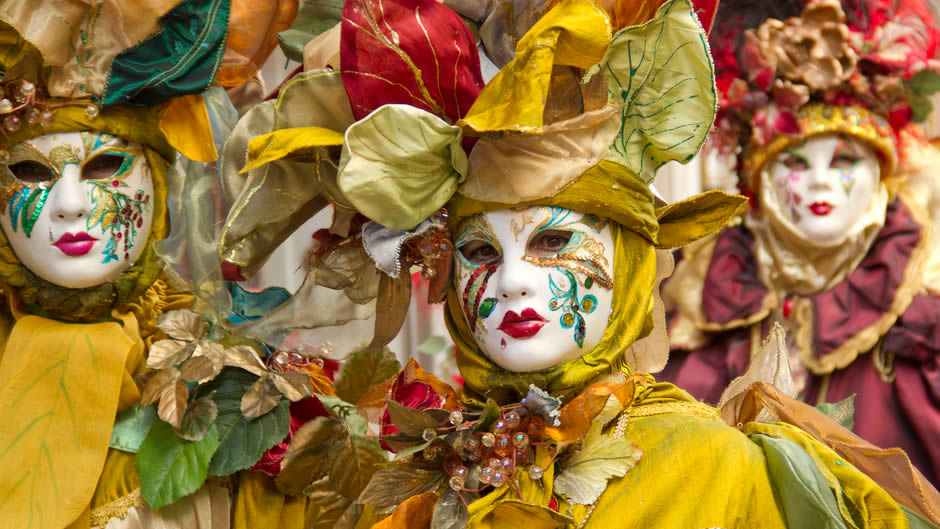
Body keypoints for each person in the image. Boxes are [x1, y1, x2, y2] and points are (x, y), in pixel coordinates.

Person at [227, 0, 940, 527]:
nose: (511, 280)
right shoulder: (426, 472)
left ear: (631, 252)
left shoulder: (709, 463)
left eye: (553, 241)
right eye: (479, 250)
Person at [0, 2, 335, 527]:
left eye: (104, 166)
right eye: (30, 172)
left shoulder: (242, 396)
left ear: (158, 187)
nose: (70, 204)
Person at [660, 0, 940, 487]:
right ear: (759, 180)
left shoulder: (924, 305)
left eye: (844, 162)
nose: (819, 185)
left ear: (882, 176)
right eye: (795, 163)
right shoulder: (694, 295)